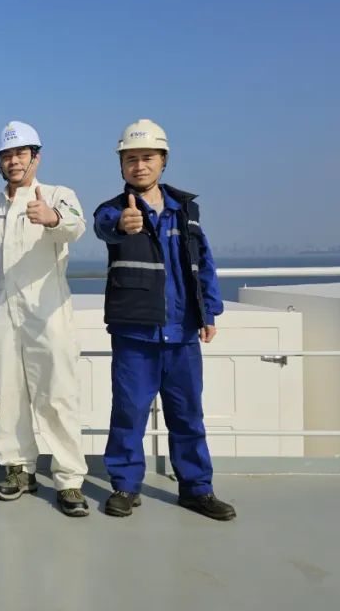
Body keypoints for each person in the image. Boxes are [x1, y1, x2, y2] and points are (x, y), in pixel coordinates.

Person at [93, 119, 236, 521]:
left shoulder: (185, 210)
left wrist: (209, 311)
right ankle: (125, 486)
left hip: (183, 331)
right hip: (135, 333)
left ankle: (197, 489)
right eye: (131, 159)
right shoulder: (112, 210)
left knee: (187, 415)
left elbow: (202, 261)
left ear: (163, 161)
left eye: (147, 157)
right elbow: (105, 228)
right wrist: (124, 225)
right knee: (129, 413)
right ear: (121, 165)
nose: (139, 166)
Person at [0, 121, 90, 517]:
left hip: (46, 305)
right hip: (2, 307)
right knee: (9, 393)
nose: (13, 161)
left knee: (57, 393)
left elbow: (76, 226)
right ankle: (19, 470)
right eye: (6, 155)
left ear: (36, 156)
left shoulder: (58, 195)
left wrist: (52, 218)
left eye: (20, 153)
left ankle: (69, 480)